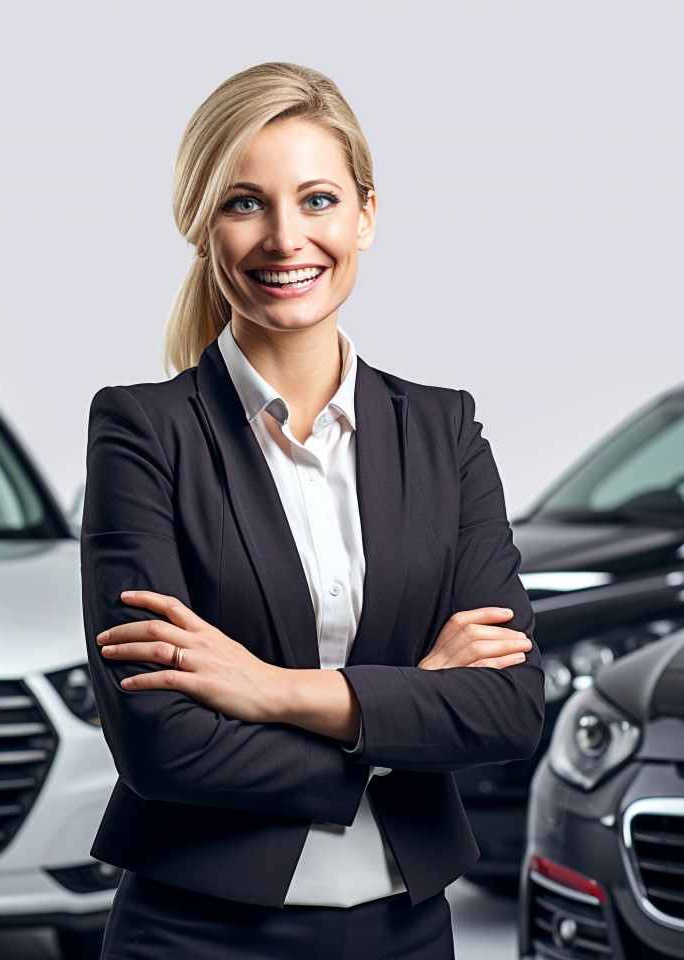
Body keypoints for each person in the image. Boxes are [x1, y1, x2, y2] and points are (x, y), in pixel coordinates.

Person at [81, 61, 544, 960]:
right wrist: (405, 709)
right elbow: (161, 745)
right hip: (195, 931)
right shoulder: (142, 430)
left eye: (319, 199)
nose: (286, 237)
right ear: (200, 225)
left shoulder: (444, 430)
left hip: (408, 930)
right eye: (244, 203)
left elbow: (509, 708)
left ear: (366, 214)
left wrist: (272, 691)